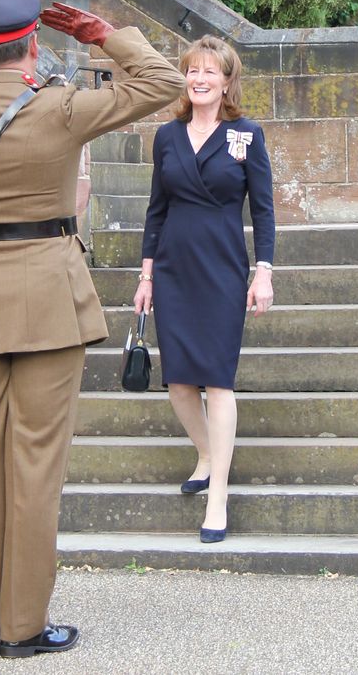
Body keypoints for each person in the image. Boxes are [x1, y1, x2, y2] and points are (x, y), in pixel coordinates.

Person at [0, 0, 185, 658]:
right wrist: (99, 32)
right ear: (32, 45)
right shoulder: (59, 107)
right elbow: (163, 81)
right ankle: (23, 625)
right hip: (51, 306)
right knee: (34, 469)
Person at [133, 35, 275, 544]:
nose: (200, 79)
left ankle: (218, 495)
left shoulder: (246, 135)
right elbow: (155, 209)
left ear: (226, 80)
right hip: (173, 266)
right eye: (192, 71)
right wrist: (146, 276)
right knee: (177, 382)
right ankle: (208, 452)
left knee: (217, 381)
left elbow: (262, 209)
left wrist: (264, 271)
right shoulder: (167, 136)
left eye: (210, 72)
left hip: (220, 268)